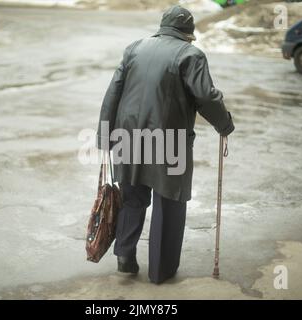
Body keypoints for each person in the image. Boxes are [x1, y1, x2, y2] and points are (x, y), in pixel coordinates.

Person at [96, 5, 235, 284]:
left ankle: (125, 257)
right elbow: (206, 97)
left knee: (132, 197)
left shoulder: (135, 48)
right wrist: (224, 124)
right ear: (188, 34)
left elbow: (113, 92)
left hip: (128, 136)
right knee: (169, 201)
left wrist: (104, 136)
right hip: (169, 140)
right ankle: (161, 270)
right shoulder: (190, 54)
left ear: (162, 27)